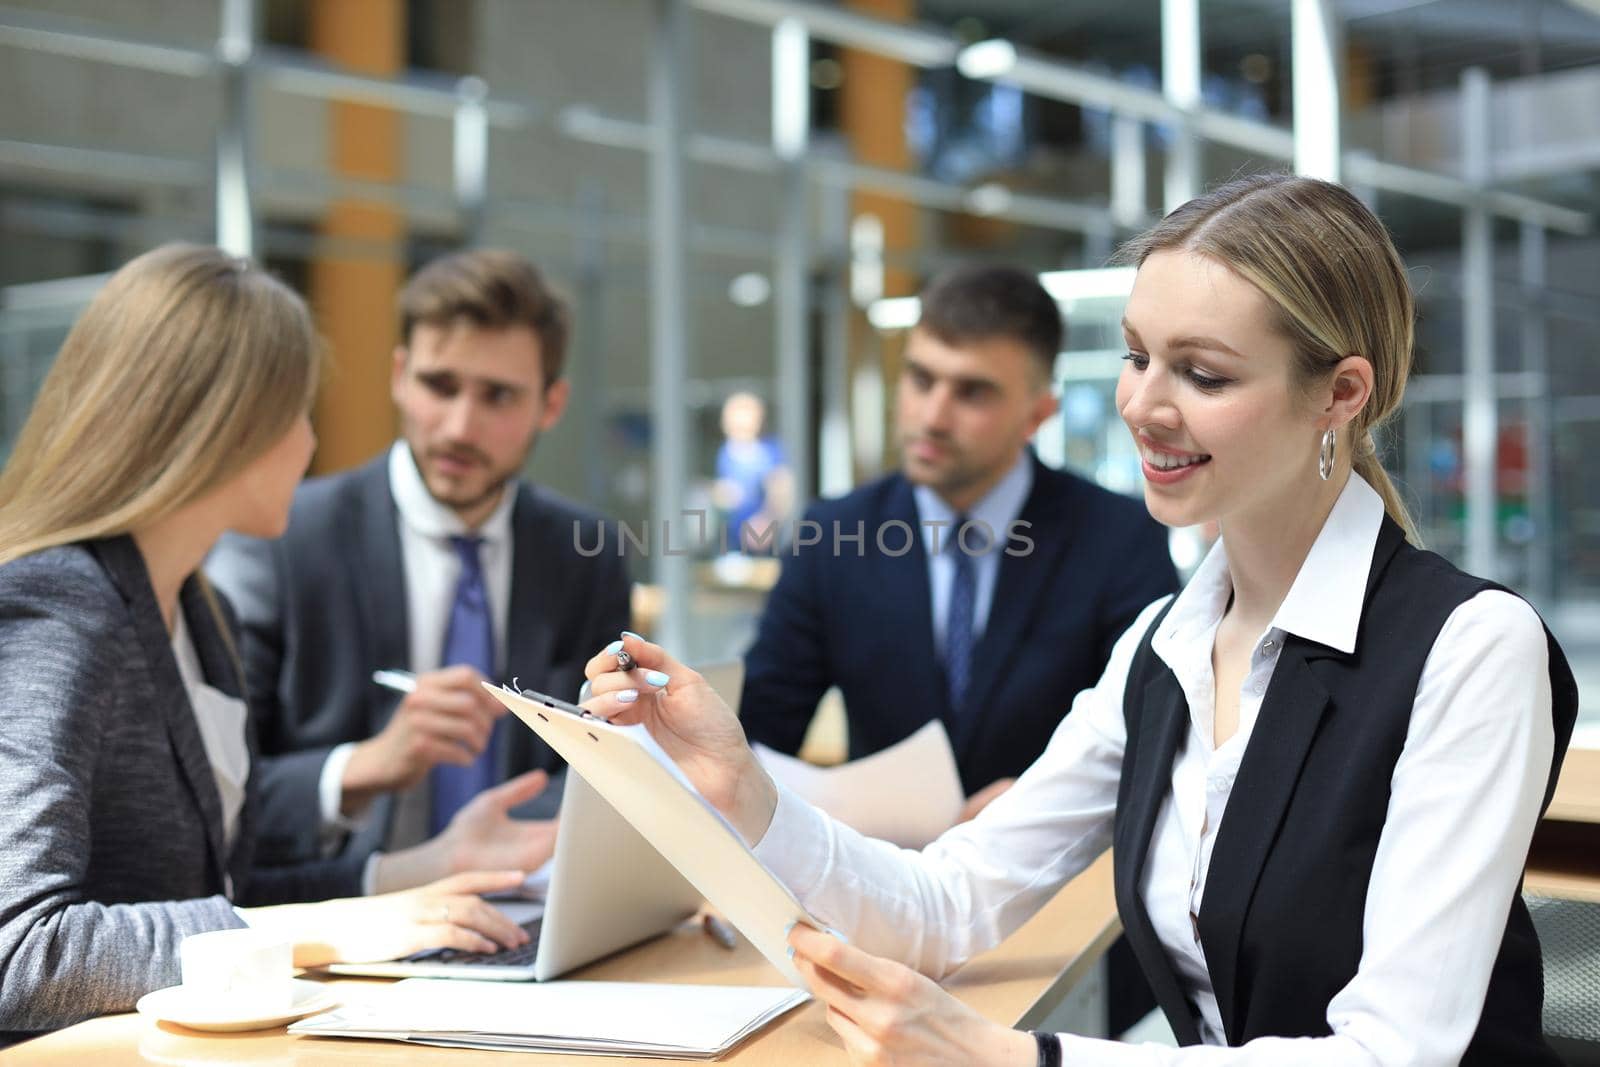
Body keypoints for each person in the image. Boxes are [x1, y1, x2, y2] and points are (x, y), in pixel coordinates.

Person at [581, 175, 1579, 1065]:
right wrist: (740, 784)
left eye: (1203, 372)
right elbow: (950, 898)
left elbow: (1390, 1050)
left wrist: (1020, 1057)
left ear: (1341, 394)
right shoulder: (1162, 645)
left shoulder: (1469, 649)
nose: (1144, 404)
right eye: (1139, 356)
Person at [0, 245, 537, 1038]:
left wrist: (413, 874)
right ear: (229, 428)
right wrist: (331, 929)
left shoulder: (195, 609)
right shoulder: (62, 608)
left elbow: (222, 889)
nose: (310, 442)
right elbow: (20, 953)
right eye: (298, 414)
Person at [207, 249, 631, 891]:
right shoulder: (282, 539)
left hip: (523, 902)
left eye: (499, 396)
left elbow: (596, 766)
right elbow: (207, 803)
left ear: (551, 405)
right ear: (400, 376)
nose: (462, 426)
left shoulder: (585, 552)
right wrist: (360, 766)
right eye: (440, 386)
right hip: (340, 923)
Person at [740, 263, 1177, 822]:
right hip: (882, 878)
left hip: (1051, 874)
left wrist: (1039, 801)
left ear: (1038, 414)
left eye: (972, 393)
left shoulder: (1118, 539)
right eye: (921, 379)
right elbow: (762, 726)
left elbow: (1152, 734)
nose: (933, 417)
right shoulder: (834, 535)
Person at [713, 391, 792, 553]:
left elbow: (782, 490)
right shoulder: (725, 454)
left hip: (765, 540)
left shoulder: (770, 452)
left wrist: (768, 520)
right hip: (732, 541)